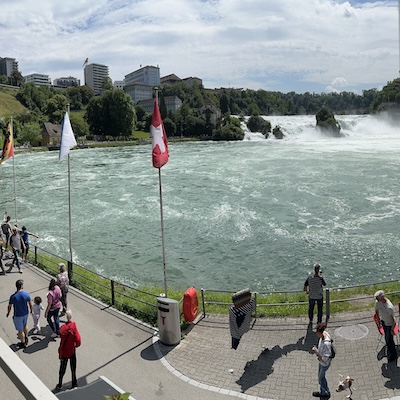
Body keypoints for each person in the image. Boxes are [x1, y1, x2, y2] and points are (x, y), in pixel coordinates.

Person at [56, 310, 81, 391]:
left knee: (62, 368)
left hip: (64, 351)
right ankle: (74, 383)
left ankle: (60, 384)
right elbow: (78, 339)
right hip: (72, 349)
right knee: (73, 367)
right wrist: (75, 345)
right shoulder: (73, 325)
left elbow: (60, 333)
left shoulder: (63, 328)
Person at [7, 279, 33, 348]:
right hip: (25, 313)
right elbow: (30, 303)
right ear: (21, 286)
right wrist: (31, 310)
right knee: (25, 325)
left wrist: (8, 313)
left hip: (18, 315)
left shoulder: (13, 296)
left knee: (20, 330)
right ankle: (26, 337)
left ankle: (23, 342)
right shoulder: (26, 294)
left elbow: (9, 306)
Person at [374, 290, 398, 362]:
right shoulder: (378, 302)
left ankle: (393, 355)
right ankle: (391, 354)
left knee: (389, 340)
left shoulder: (389, 307)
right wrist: (378, 321)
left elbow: (393, 319)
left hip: (390, 325)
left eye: (378, 298)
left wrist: (392, 329)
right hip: (384, 322)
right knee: (387, 340)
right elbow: (376, 311)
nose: (377, 300)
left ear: (382, 297)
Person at [312, 322, 332, 399]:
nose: (316, 334)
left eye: (317, 333)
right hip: (321, 362)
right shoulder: (324, 334)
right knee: (321, 377)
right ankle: (324, 391)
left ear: (320, 332)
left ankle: (325, 392)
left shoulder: (326, 344)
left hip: (324, 364)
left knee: (320, 378)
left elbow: (324, 359)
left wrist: (317, 352)